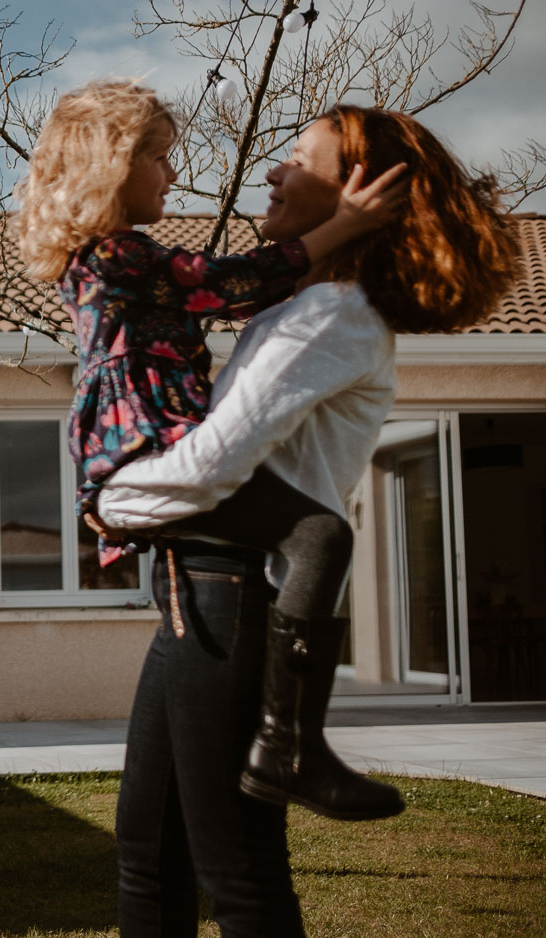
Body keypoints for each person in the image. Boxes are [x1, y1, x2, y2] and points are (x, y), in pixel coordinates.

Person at [92, 106, 519, 935]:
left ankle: (296, 746)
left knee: (235, 869)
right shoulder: (305, 305)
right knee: (150, 851)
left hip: (234, 594)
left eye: (297, 157)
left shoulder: (333, 317)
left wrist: (113, 504)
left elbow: (216, 462)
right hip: (198, 592)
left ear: (357, 187)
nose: (272, 172)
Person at [14, 79, 407, 818]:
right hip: (142, 446)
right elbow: (226, 281)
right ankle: (293, 741)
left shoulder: (118, 262)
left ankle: (293, 740)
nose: (173, 175)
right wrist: (338, 226)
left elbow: (242, 294)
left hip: (143, 449)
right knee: (322, 534)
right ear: (111, 167)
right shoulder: (115, 258)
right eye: (160, 159)